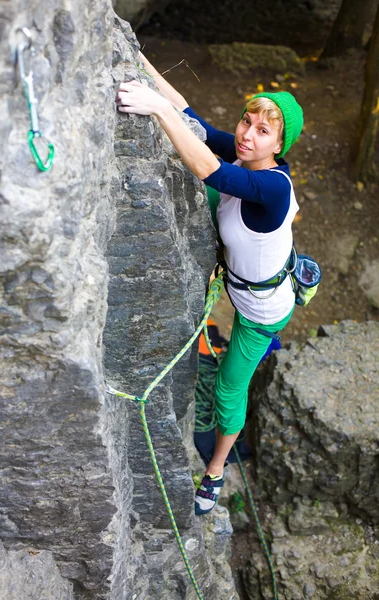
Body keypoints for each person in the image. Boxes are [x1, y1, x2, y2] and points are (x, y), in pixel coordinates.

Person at [116, 53, 303, 515]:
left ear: (279, 146)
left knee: (226, 389)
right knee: (196, 136)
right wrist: (140, 59)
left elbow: (210, 170)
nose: (246, 134)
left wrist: (154, 109)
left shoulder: (275, 187)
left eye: (263, 131)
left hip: (261, 312)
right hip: (242, 279)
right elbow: (189, 115)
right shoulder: (246, 155)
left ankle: (216, 468)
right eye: (246, 121)